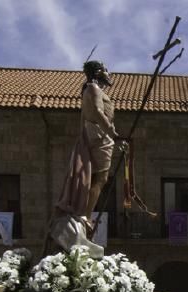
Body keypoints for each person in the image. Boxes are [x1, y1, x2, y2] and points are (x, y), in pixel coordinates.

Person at [50, 60, 125, 257]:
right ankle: (86, 216)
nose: (110, 74)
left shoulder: (91, 88)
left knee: (95, 178)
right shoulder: (92, 88)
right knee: (101, 178)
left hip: (98, 135)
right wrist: (113, 134)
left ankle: (84, 216)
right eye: (107, 70)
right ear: (98, 72)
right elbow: (99, 113)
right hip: (99, 136)